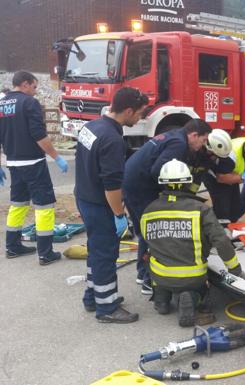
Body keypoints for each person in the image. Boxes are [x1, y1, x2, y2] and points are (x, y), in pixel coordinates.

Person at [141, 159, 245, 327]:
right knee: (201, 289)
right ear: (188, 183)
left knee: (155, 255)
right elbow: (221, 241)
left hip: (160, 275)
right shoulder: (200, 209)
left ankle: (161, 299)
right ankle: (192, 297)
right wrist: (235, 270)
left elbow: (149, 243)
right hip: (192, 277)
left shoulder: (148, 210)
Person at [74, 87, 148, 323]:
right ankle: (107, 308)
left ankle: (93, 297)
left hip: (84, 197)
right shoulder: (112, 139)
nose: (141, 118)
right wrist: (119, 215)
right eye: (140, 113)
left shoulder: (92, 126)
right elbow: (112, 187)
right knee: (106, 253)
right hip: (100, 204)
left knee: (96, 250)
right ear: (128, 110)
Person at [123, 119, 217, 296]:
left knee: (144, 230)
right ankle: (149, 281)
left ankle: (142, 272)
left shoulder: (173, 135)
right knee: (153, 229)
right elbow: (158, 171)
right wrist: (169, 199)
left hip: (131, 182)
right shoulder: (179, 145)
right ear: (194, 135)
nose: (203, 145)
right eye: (203, 140)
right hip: (141, 187)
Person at [0, 70, 68, 264]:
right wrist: (56, 157)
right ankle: (45, 253)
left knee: (18, 205)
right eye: (34, 87)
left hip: (13, 163)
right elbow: (39, 134)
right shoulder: (29, 103)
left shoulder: (2, 104)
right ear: (25, 84)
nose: (36, 91)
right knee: (44, 206)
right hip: (33, 163)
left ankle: (12, 247)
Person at [198, 136, 245, 222]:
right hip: (215, 178)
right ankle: (215, 227)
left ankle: (230, 225)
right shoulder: (232, 154)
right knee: (222, 210)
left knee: (234, 209)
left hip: (232, 174)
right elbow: (221, 178)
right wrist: (243, 177)